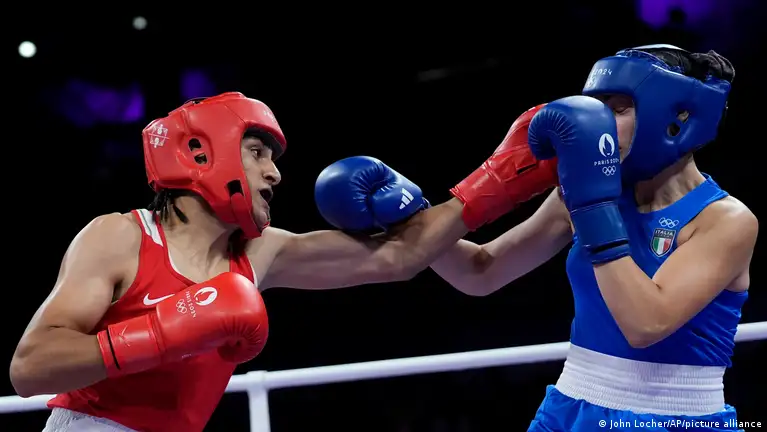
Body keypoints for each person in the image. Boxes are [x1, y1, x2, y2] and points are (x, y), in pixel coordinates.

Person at [9, 91, 557, 432]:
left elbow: (402, 256)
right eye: (257, 154)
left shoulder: (259, 252)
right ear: (201, 153)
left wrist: (498, 180)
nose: (274, 173)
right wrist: (160, 332)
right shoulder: (120, 237)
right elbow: (29, 368)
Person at [429, 45, 757, 431]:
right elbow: (480, 272)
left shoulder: (725, 220)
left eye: (618, 109)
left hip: (673, 416)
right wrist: (411, 219)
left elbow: (645, 324)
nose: (599, 124)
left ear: (677, 117)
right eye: (597, 109)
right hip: (569, 405)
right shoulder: (581, 195)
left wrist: (592, 208)